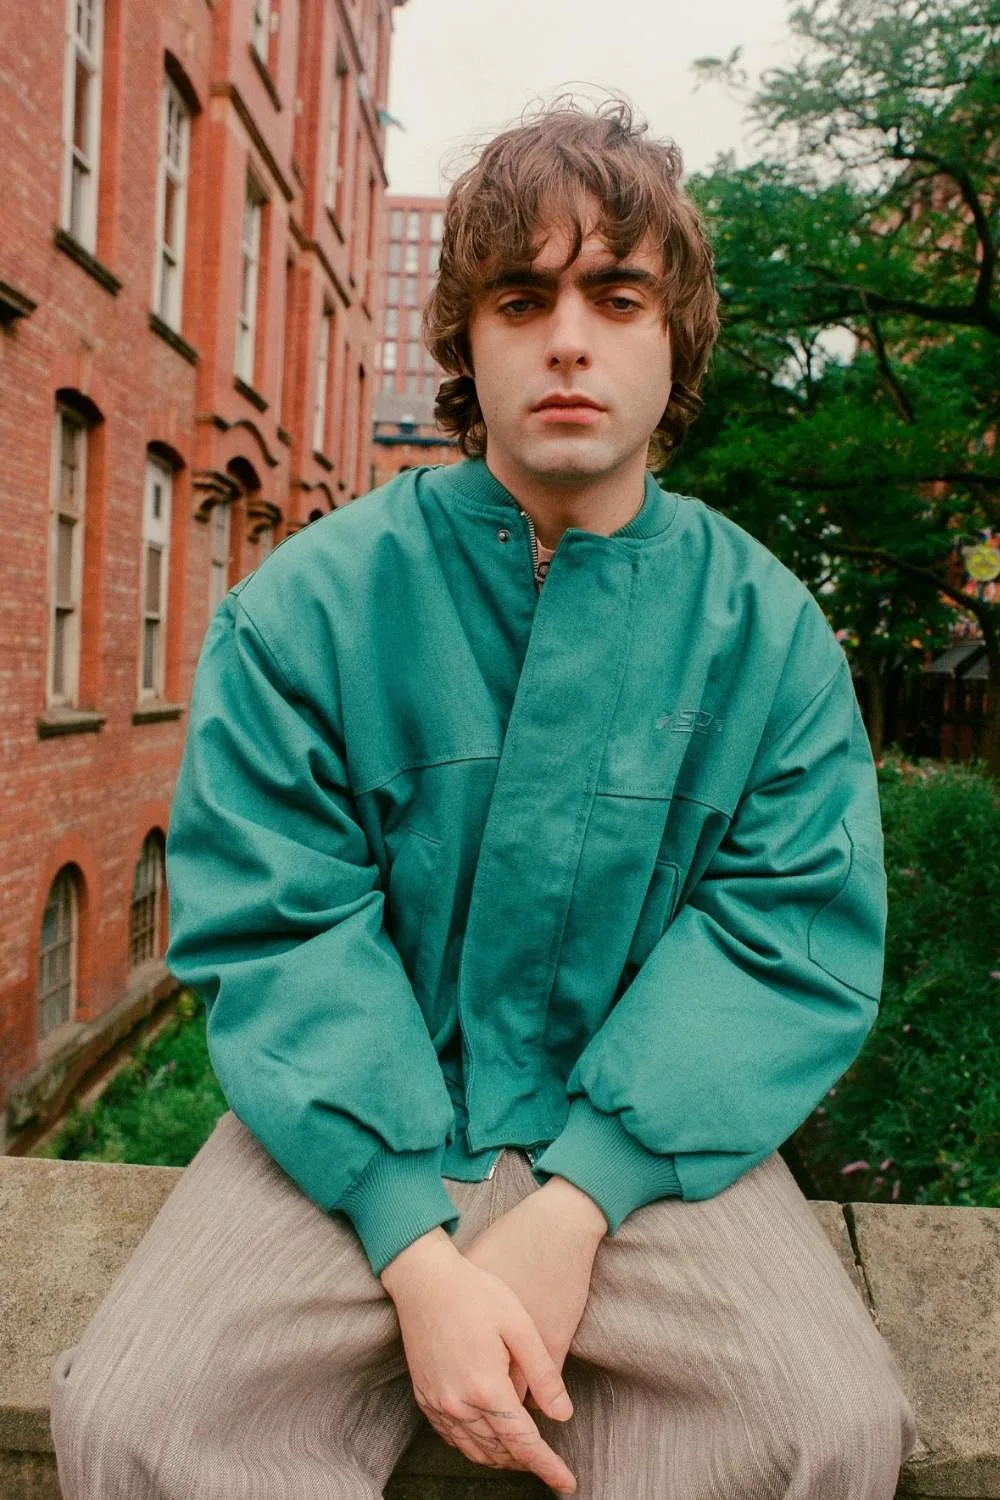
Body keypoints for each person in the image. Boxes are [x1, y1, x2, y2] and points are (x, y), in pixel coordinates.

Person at [50, 96, 918, 1499]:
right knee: (141, 1415)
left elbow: (785, 936)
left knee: (821, 1425)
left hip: (642, 1140)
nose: (569, 336)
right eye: (524, 297)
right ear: (468, 340)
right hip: (358, 1131)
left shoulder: (768, 634)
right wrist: (416, 1253)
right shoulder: (308, 613)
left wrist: (574, 1208)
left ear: (672, 336)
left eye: (616, 295)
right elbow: (280, 932)